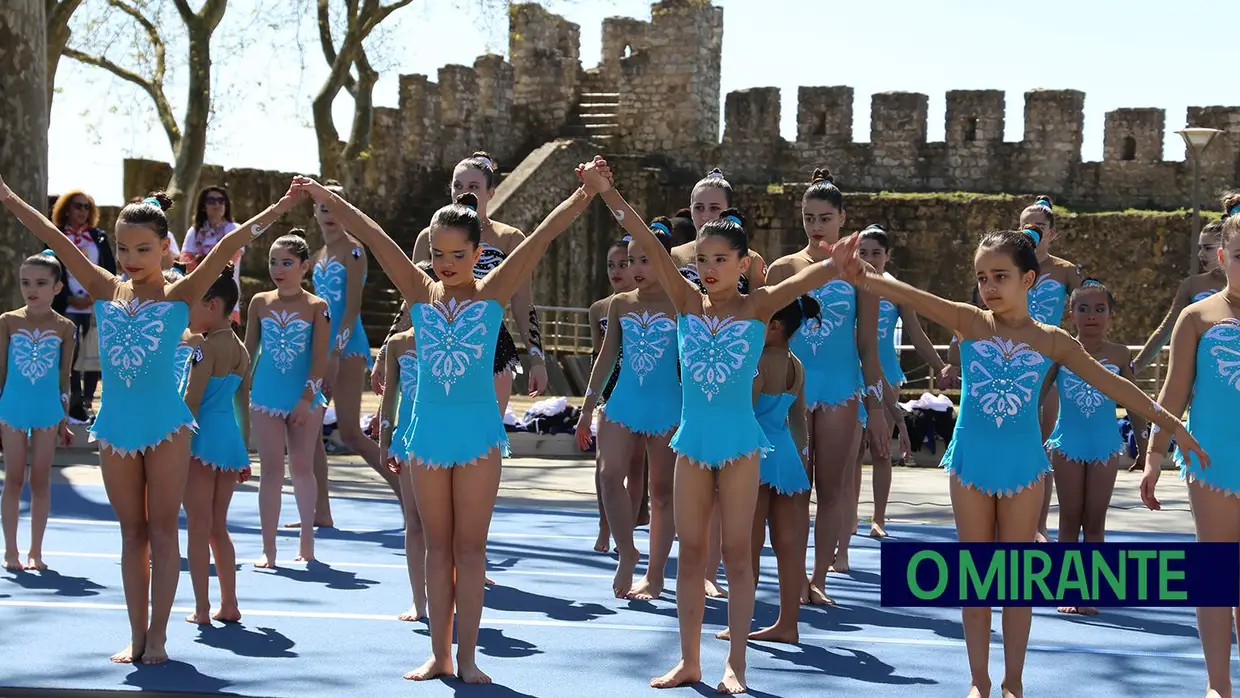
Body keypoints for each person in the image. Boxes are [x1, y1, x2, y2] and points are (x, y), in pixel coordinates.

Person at [833, 225, 1205, 698]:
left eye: (1000, 276)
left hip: (1024, 465)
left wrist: (1170, 422)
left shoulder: (1053, 341)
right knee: (976, 577)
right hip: (971, 462)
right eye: (982, 277)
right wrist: (862, 274)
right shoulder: (970, 321)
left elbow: (1118, 387)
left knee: (1014, 579)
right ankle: (978, 681)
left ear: (1029, 280)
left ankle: (1013, 681)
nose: (988, 287)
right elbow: (914, 295)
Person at [290, 158, 603, 684]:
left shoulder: (492, 292)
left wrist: (584, 195)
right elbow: (371, 231)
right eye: (438, 254)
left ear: (478, 254)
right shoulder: (419, 291)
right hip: (428, 434)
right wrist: (323, 193)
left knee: (470, 548)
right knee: (438, 545)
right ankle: (440, 653)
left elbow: (542, 237)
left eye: (459, 254)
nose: (447, 263)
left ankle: (470, 657)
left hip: (478, 435)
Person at [0, 173, 293, 664]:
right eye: (122, 248)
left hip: (167, 428)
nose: (131, 259)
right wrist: (9, 197)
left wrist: (282, 204)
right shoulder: (102, 286)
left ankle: (157, 636)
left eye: (142, 249)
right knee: (131, 534)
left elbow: (232, 243)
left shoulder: (182, 293)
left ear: (165, 250)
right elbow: (51, 237)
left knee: (161, 533)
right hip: (115, 427)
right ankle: (136, 634)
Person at [601, 163, 867, 694]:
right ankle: (689, 660)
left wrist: (836, 265)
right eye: (702, 260)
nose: (710, 268)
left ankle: (736, 664)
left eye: (721, 260)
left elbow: (804, 279)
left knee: (737, 557)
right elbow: (647, 246)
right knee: (693, 555)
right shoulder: (684, 301)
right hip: (693, 445)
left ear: (743, 263)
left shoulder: (756, 306)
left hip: (741, 447)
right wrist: (609, 193)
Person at [765, 168, 888, 605]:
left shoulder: (863, 273)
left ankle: (819, 578)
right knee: (793, 486)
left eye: (824, 218)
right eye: (808, 218)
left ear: (841, 219)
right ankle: (793, 577)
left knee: (833, 487)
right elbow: (767, 334)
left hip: (841, 390)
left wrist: (876, 408)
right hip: (789, 390)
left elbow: (868, 347)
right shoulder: (783, 268)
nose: (816, 227)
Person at [1141, 192, 1240, 698]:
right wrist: (1155, 457)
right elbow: (1173, 392)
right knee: (1218, 569)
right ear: (1222, 258)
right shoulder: (1197, 316)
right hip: (1212, 459)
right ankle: (1218, 685)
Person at [575, 223, 680, 599]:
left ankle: (655, 574)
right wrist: (587, 408)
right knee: (608, 475)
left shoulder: (683, 302)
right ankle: (627, 552)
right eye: (632, 259)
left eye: (646, 259)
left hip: (668, 404)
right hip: (624, 401)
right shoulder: (621, 304)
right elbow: (605, 360)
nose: (636, 267)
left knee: (663, 492)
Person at [1040, 279, 1141, 616]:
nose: (1092, 316)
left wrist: (1143, 445)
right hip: (1067, 443)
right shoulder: (1062, 350)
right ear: (1071, 314)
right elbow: (1037, 398)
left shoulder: (1120, 354)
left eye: (1100, 309)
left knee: (1095, 520)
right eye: (1083, 309)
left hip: (1104, 445)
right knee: (1070, 518)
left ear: (1111, 315)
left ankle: (1090, 590)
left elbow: (1134, 403)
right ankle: (1067, 588)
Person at [246, 231, 330, 567]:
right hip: (266, 394)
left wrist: (305, 399)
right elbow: (248, 350)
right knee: (269, 470)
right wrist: (238, 385)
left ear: (304, 266)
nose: (278, 269)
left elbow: (320, 359)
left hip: (304, 397)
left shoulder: (316, 306)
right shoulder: (259, 302)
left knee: (301, 465)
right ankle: (268, 548)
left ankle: (306, 539)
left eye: (286, 263)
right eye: (273, 262)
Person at [857, 223, 943, 536]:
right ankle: (849, 518)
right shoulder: (847, 286)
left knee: (881, 449)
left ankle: (878, 518)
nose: (869, 258)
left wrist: (940, 365)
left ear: (887, 256)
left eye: (876, 253)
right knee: (853, 451)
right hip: (852, 372)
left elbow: (917, 335)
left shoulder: (896, 292)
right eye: (862, 252)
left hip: (887, 374)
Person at [182, 267, 251, 624]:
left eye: (191, 304)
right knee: (217, 526)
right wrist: (244, 451)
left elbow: (191, 402)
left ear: (211, 305)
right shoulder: (241, 351)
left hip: (200, 439)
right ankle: (230, 602)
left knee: (198, 525)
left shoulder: (205, 349)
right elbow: (243, 406)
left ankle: (201, 608)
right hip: (228, 441)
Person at [0, 252, 75, 571]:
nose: (32, 289)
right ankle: (10, 551)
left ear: (57, 287)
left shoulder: (65, 327)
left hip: (48, 410)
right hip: (13, 407)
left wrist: (64, 418)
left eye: (41, 283)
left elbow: (64, 377)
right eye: (26, 282)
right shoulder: (8, 321)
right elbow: (1, 371)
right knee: (13, 479)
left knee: (41, 480)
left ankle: (36, 551)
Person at [746, 296, 815, 644]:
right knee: (789, 546)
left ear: (774, 326)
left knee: (748, 545)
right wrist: (802, 461)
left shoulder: (757, 360)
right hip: (787, 457)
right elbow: (798, 419)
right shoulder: (797, 364)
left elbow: (747, 408)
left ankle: (740, 622)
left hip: (756, 455)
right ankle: (789, 623)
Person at [46, 189, 115, 423]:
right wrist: (68, 297)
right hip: (68, 307)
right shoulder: (56, 237)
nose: (83, 211)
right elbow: (49, 271)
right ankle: (73, 404)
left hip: (95, 306)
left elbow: (110, 270)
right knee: (71, 356)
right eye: (78, 206)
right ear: (66, 209)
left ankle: (87, 403)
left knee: (93, 357)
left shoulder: (99, 237)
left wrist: (97, 296)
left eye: (87, 207)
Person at [180, 186, 242, 324]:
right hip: (199, 297)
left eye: (221, 200)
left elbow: (229, 259)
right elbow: (185, 262)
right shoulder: (194, 231)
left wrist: (201, 260)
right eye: (211, 200)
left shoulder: (235, 229)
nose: (217, 204)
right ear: (203, 206)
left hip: (227, 297)